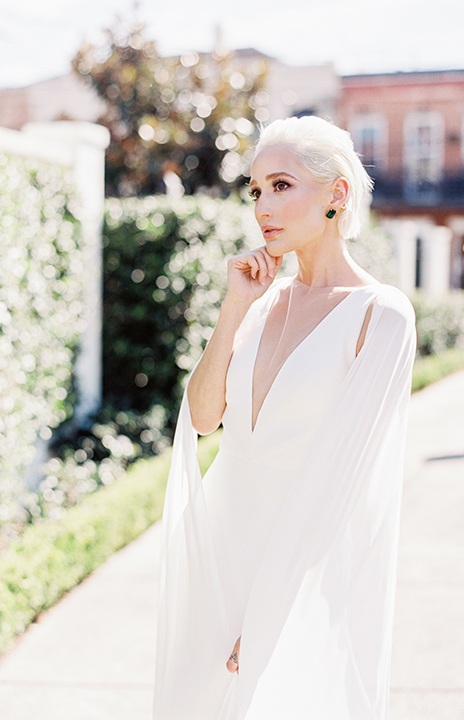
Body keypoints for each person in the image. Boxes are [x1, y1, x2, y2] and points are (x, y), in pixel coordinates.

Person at [153, 115, 417, 719]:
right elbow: (201, 417)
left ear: (336, 194)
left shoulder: (382, 316)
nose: (263, 206)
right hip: (219, 553)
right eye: (255, 190)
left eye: (281, 185)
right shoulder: (259, 296)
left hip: (304, 568)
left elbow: (342, 489)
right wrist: (233, 308)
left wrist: (275, 610)